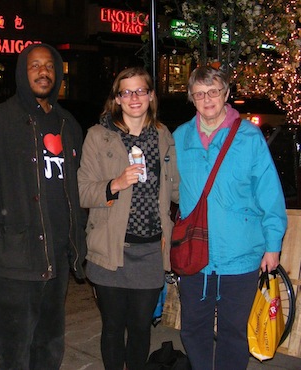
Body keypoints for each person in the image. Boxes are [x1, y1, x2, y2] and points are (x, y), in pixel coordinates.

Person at [0, 43, 87, 370]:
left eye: (49, 66)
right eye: (34, 66)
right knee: (14, 345)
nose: (43, 72)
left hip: (58, 253)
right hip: (16, 257)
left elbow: (77, 186)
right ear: (22, 72)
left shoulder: (67, 124)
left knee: (49, 343)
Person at [172, 65, 287, 370]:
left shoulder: (248, 137)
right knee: (192, 329)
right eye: (199, 94)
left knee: (233, 333)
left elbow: (269, 192)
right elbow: (167, 187)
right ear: (191, 98)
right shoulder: (180, 137)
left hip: (241, 254)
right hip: (195, 254)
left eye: (213, 91)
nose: (207, 99)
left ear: (226, 94)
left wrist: (272, 243)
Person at [77, 66, 179, 370]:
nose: (134, 97)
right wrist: (115, 184)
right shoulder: (98, 136)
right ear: (117, 99)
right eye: (126, 92)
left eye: (140, 91)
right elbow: (83, 192)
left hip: (150, 251)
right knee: (112, 327)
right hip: (110, 249)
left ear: (150, 96)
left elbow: (176, 189)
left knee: (139, 329)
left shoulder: (162, 136)